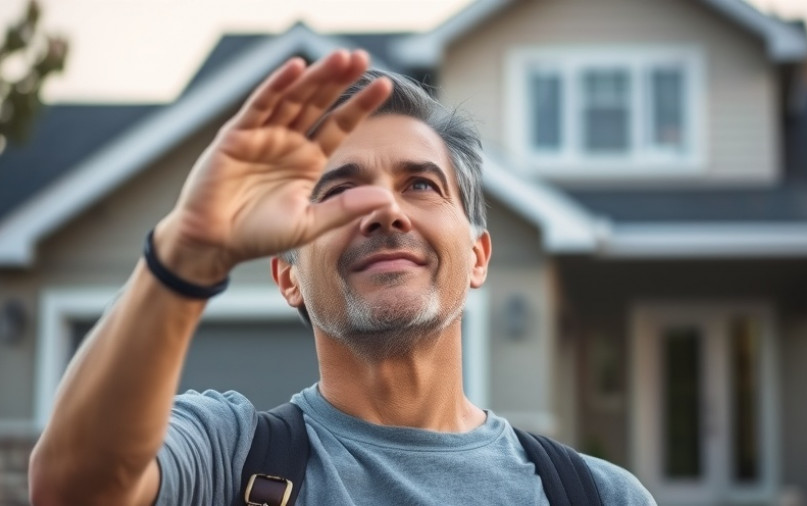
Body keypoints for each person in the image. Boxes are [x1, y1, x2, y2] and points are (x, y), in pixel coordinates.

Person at [28, 50, 655, 505]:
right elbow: (75, 487)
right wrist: (187, 251)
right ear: (288, 278)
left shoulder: (600, 495)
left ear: (480, 256)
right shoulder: (228, 458)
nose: (383, 210)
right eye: (338, 193)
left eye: (419, 184)